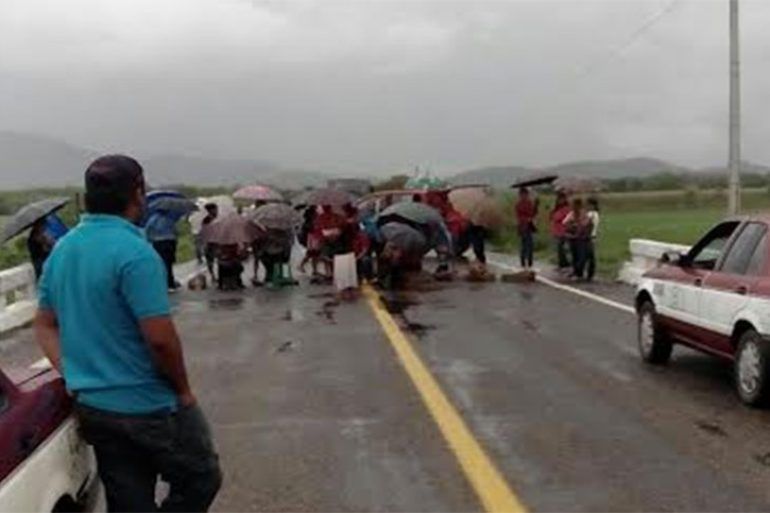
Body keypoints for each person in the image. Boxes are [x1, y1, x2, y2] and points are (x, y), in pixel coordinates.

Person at [34, 155, 221, 513]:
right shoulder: (136, 253)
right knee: (201, 477)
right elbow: (160, 340)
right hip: (149, 404)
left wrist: (71, 373)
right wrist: (183, 390)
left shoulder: (63, 250)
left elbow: (43, 324)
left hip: (95, 406)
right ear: (138, 192)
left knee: (128, 499)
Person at [145, 210, 179, 291]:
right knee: (169, 263)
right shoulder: (170, 219)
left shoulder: (153, 219)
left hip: (158, 242)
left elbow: (148, 229)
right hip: (170, 241)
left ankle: (165, 283)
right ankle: (171, 283)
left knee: (162, 263)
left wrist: (150, 239)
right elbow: (176, 231)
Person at [563, 197, 593, 280]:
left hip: (582, 239)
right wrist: (572, 225)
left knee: (581, 256)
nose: (573, 207)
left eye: (575, 205)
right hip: (573, 238)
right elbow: (565, 222)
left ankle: (579, 273)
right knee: (574, 255)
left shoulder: (584, 214)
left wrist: (577, 225)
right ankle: (576, 271)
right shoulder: (572, 214)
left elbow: (585, 224)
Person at [515, 187, 538, 269]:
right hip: (522, 226)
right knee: (524, 245)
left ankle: (530, 262)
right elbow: (518, 216)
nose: (524, 196)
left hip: (529, 226)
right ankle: (523, 261)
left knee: (530, 245)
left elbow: (533, 213)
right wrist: (526, 219)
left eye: (525, 194)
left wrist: (536, 206)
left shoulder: (530, 203)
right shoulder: (518, 204)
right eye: (522, 194)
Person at [550, 191, 572, 272]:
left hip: (563, 230)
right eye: (559, 199)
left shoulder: (566, 208)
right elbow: (552, 217)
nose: (560, 201)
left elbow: (560, 218)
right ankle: (561, 264)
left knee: (563, 249)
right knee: (559, 249)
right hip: (557, 230)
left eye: (562, 199)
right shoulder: (556, 208)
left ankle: (565, 264)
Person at [201, 203, 219, 278]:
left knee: (216, 260)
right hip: (211, 242)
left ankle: (215, 275)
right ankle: (213, 275)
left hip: (216, 241)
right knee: (210, 260)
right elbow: (205, 232)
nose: (217, 211)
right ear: (211, 210)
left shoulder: (216, 218)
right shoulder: (207, 220)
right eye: (215, 209)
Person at [585, 197, 600, 281]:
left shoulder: (592, 214)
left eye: (589, 204)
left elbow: (588, 224)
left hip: (590, 236)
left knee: (590, 256)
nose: (587, 206)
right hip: (590, 236)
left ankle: (590, 274)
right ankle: (589, 273)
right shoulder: (592, 214)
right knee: (589, 255)